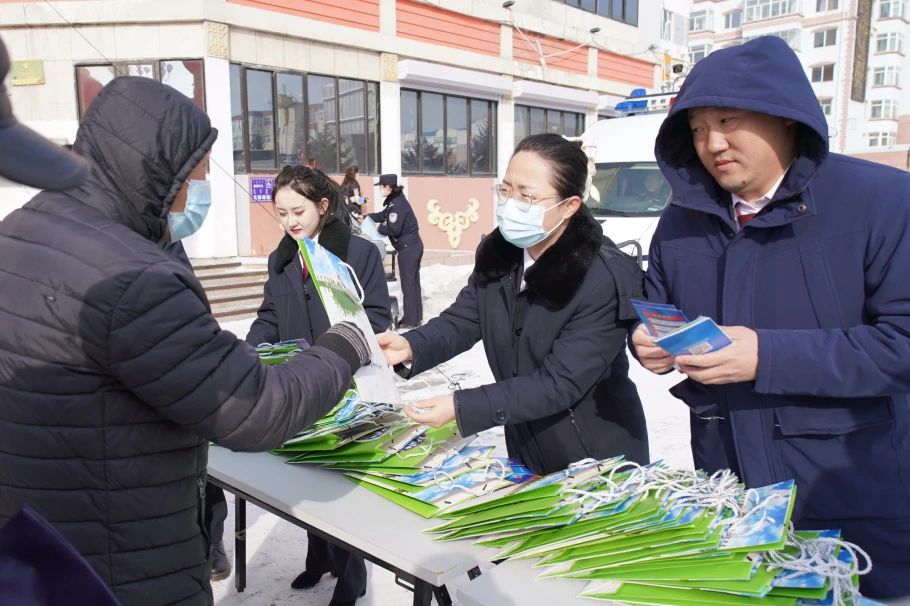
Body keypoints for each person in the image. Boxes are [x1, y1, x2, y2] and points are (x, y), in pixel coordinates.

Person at [0, 76, 372, 606]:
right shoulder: (133, 274)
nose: (195, 194)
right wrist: (345, 346)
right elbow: (259, 409)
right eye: (193, 178)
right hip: (119, 560)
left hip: (38, 542)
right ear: (155, 173)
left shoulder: (22, 229)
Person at [630, 36, 910, 603]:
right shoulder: (682, 222)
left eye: (729, 120)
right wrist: (649, 344)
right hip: (732, 492)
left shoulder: (883, 201)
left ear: (786, 117)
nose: (713, 143)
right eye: (697, 129)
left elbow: (901, 345)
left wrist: (766, 356)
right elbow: (660, 309)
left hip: (855, 503)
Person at [378, 134, 648, 475]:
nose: (510, 203)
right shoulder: (500, 254)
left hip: (597, 460)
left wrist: (461, 407)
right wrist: (410, 345)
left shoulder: (601, 277)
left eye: (527, 196)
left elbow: (559, 383)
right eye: (506, 190)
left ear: (569, 206)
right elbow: (465, 318)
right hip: (527, 444)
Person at [206, 164, 391, 605]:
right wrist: (248, 355)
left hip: (345, 385)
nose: (289, 221)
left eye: (298, 211)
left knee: (339, 487)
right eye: (281, 212)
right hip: (297, 384)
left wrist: (336, 352)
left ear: (323, 206)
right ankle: (319, 557)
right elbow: (270, 316)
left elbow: (379, 319)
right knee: (306, 476)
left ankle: (352, 578)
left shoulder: (358, 254)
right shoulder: (282, 257)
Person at [364, 174, 423, 328]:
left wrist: (379, 228)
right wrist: (365, 218)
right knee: (413, 284)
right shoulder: (395, 202)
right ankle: (416, 317)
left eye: (382, 187)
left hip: (408, 249)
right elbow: (382, 215)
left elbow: (394, 228)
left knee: (409, 285)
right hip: (411, 247)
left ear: (389, 187)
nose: (380, 190)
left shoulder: (397, 205)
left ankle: (410, 320)